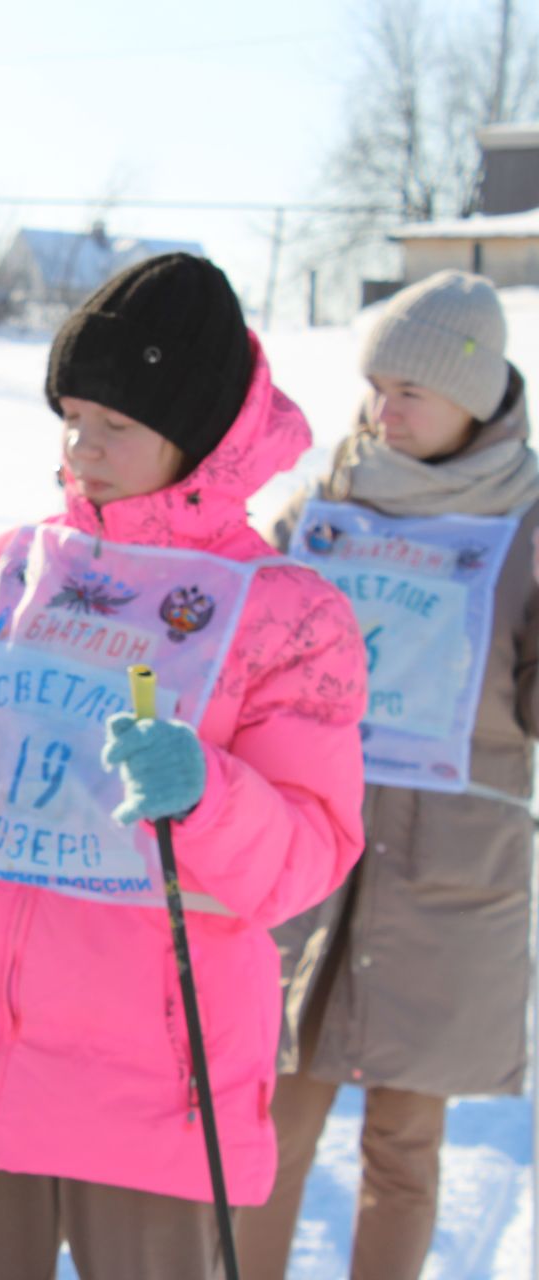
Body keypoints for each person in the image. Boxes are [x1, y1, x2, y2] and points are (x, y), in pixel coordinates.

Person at [0, 253, 369, 1278]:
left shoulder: (290, 613)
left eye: (115, 425)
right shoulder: (4, 576)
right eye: (71, 416)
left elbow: (309, 854)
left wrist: (207, 792)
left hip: (159, 1076)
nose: (82, 448)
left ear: (197, 430)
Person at [237, 270, 539, 1280]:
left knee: (404, 1146)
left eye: (411, 389)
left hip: (449, 872)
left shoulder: (531, 526)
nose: (384, 409)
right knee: (271, 1124)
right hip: (310, 853)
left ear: (477, 395)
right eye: (377, 387)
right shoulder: (322, 504)